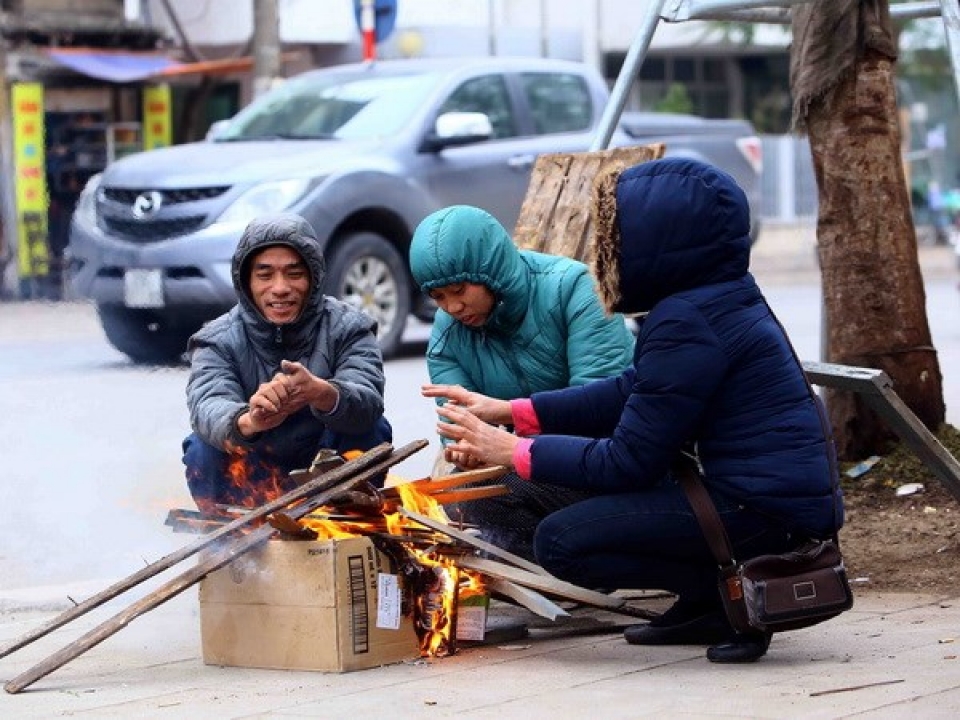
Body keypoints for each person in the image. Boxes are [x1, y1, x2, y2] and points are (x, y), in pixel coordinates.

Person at [423, 158, 844, 664]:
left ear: (658, 237)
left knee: (563, 543)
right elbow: (631, 389)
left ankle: (727, 597)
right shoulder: (709, 298)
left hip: (765, 512)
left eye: (616, 235)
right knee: (521, 499)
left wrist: (513, 449)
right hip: (764, 498)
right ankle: (705, 599)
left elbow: (628, 461)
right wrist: (512, 409)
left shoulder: (687, 318)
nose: (610, 251)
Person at [410, 204, 635, 560]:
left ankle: (590, 564)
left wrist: (511, 445)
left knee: (495, 496)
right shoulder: (447, 336)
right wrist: (466, 453)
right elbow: (462, 432)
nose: (451, 307)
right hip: (527, 465)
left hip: (608, 460)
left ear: (489, 270)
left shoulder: (575, 289)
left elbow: (598, 410)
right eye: (438, 297)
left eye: (458, 289)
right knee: (455, 500)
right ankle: (559, 564)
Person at [183, 213, 392, 512]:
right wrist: (249, 421)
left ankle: (347, 526)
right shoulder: (216, 339)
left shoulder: (350, 328)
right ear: (246, 282)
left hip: (326, 471)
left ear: (313, 278)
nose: (280, 288)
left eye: (294, 273)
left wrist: (322, 393)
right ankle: (233, 544)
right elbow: (208, 405)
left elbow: (368, 399)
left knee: (372, 429)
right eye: (265, 275)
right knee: (203, 447)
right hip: (255, 473)